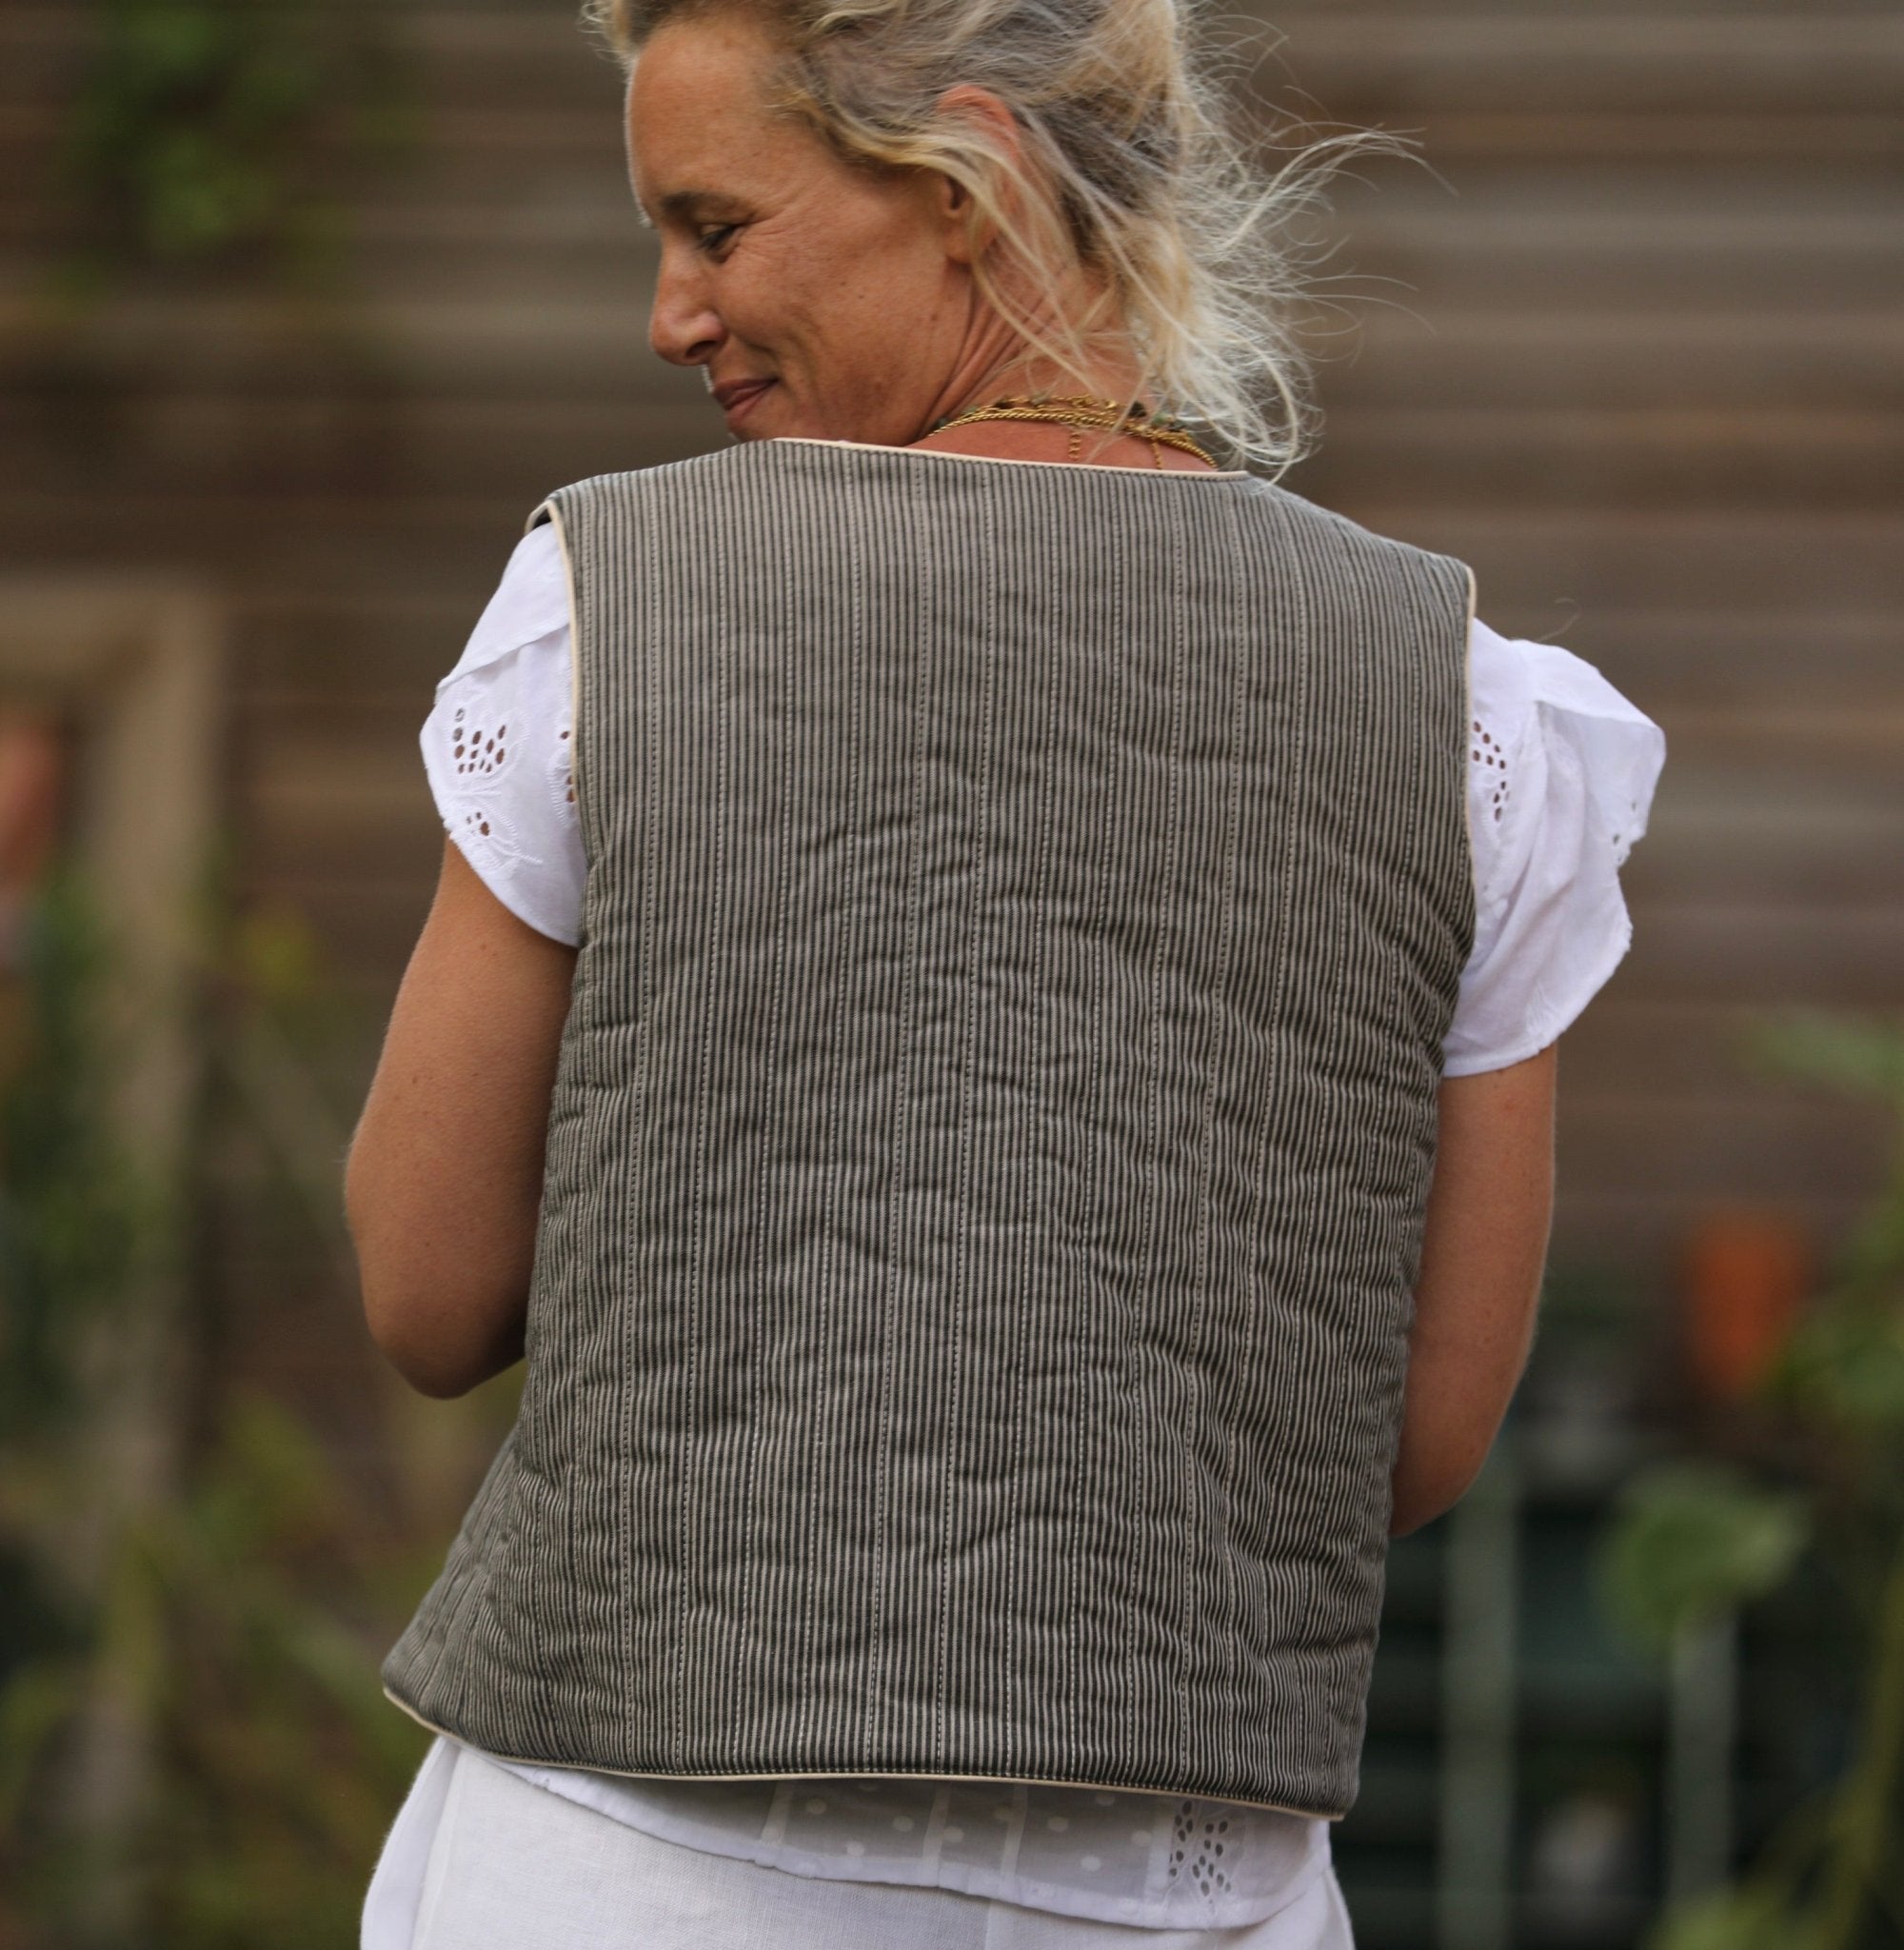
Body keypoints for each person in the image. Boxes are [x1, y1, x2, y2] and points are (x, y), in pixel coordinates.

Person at [342, 0, 1667, 1943]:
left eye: (715, 225)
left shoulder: (615, 607)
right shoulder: (1460, 708)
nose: (671, 314)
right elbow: (1409, 1436)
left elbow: (427, 1285)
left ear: (964, 182)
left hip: (634, 1854)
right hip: (1172, 1887)